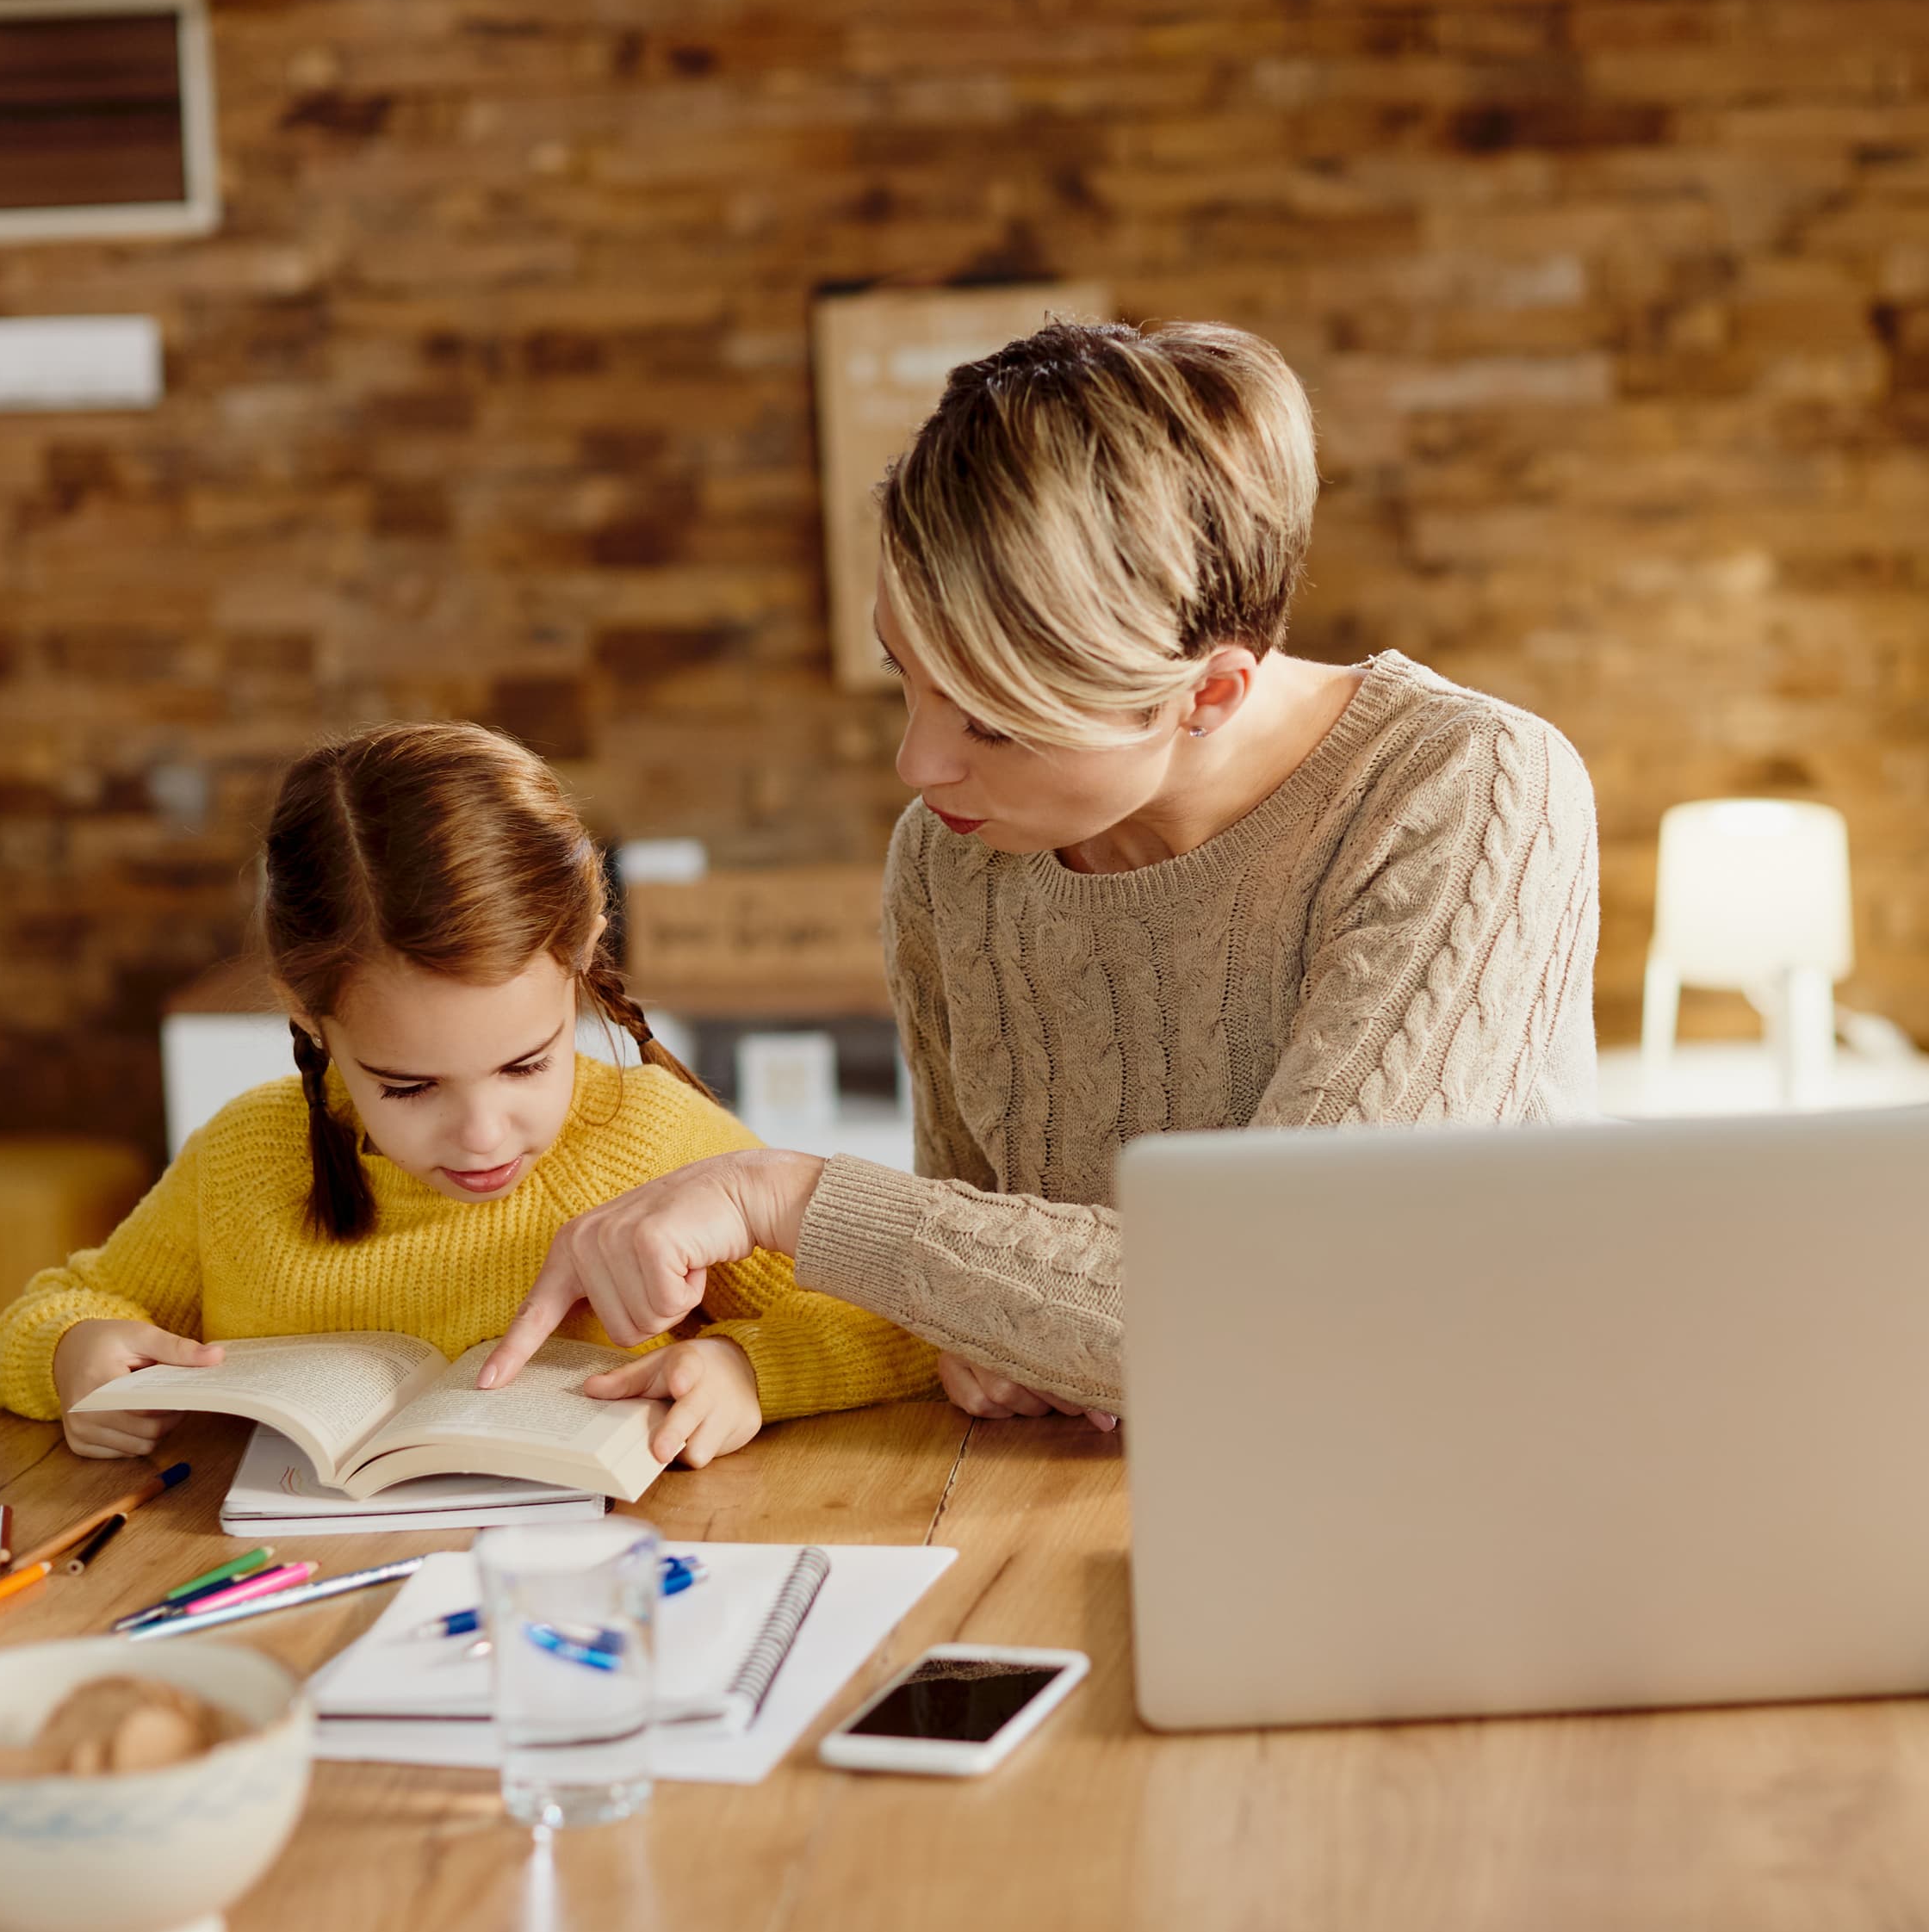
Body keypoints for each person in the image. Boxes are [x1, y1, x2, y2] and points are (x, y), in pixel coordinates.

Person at [479, 319, 1598, 1424]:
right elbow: (983, 1289)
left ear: (1208, 693)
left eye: (997, 721)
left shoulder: (1469, 792)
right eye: (903, 674)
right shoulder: (955, 856)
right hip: (1108, 1494)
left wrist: (784, 1196)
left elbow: (1294, 1307)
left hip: (1470, 1479)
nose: (919, 765)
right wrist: (988, 1333)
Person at [0, 722, 936, 1462]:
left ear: (583, 955)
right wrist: (73, 1356)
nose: (483, 1135)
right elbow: (49, 1310)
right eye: (406, 1087)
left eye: (527, 1065)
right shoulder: (243, 1159)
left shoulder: (652, 1143)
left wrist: (749, 1369)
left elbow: (913, 1323)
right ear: (309, 1017)